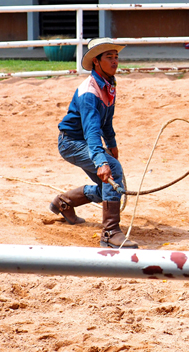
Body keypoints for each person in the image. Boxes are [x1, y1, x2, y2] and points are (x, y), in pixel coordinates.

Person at [49, 38, 138, 249]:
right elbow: (91, 130)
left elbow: (106, 122)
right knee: (112, 171)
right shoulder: (90, 92)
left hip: (82, 142)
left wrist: (112, 144)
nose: (115, 61)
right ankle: (110, 232)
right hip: (71, 143)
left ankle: (64, 203)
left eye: (116, 57)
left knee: (107, 187)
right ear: (96, 61)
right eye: (109, 57)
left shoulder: (108, 85)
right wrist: (102, 161)